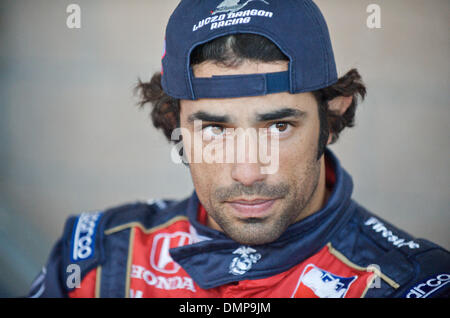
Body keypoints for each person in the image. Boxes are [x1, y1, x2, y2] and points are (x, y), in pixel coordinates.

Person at [28, 0, 449, 298]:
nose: (247, 172)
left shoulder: (411, 283)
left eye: (279, 126)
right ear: (176, 124)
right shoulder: (95, 263)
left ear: (331, 121)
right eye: (214, 129)